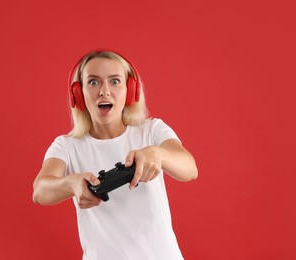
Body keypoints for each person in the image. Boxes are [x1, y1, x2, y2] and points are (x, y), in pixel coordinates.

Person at [32, 49, 198, 260]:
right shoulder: (66, 146)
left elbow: (190, 169)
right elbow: (40, 191)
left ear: (131, 90)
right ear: (78, 94)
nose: (104, 91)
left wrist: (159, 155)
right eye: (93, 82)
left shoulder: (152, 130)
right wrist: (72, 184)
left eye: (115, 81)